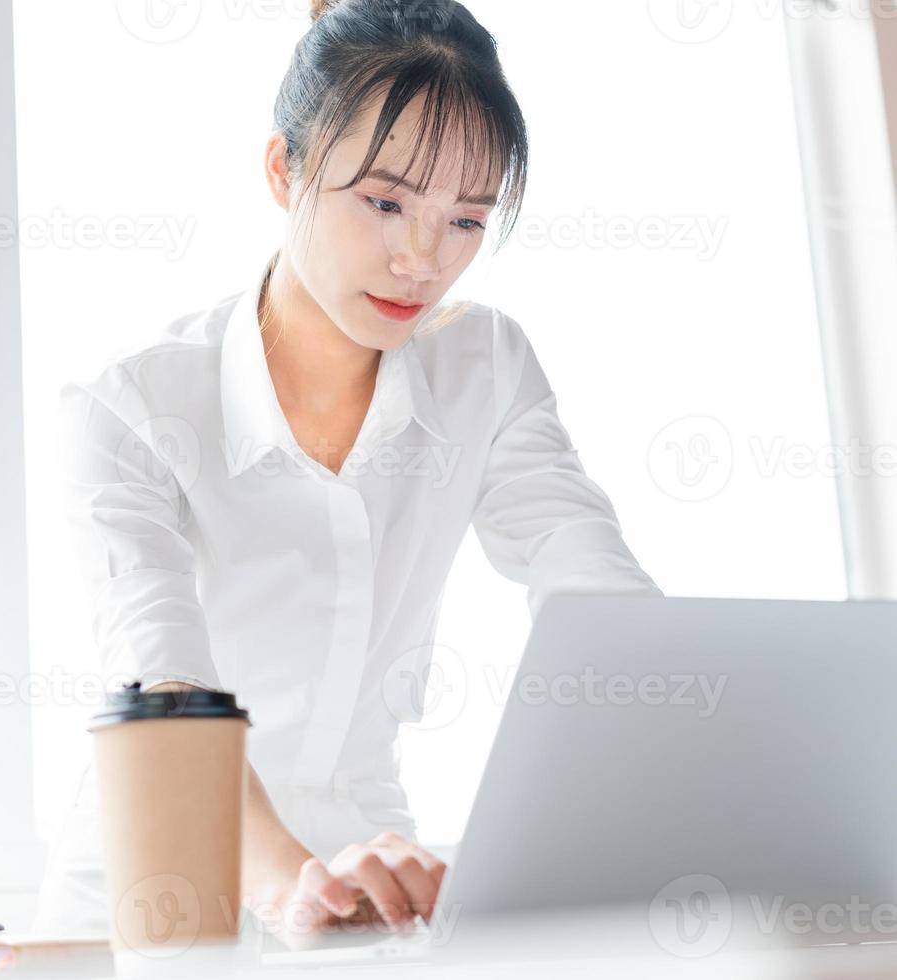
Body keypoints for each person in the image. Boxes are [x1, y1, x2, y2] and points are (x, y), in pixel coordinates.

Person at [32, 0, 663, 944]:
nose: (421, 258)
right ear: (286, 171)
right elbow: (162, 691)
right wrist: (294, 885)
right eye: (384, 202)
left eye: (465, 219)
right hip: (158, 893)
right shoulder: (131, 409)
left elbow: (594, 588)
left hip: (371, 887)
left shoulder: (481, 367)